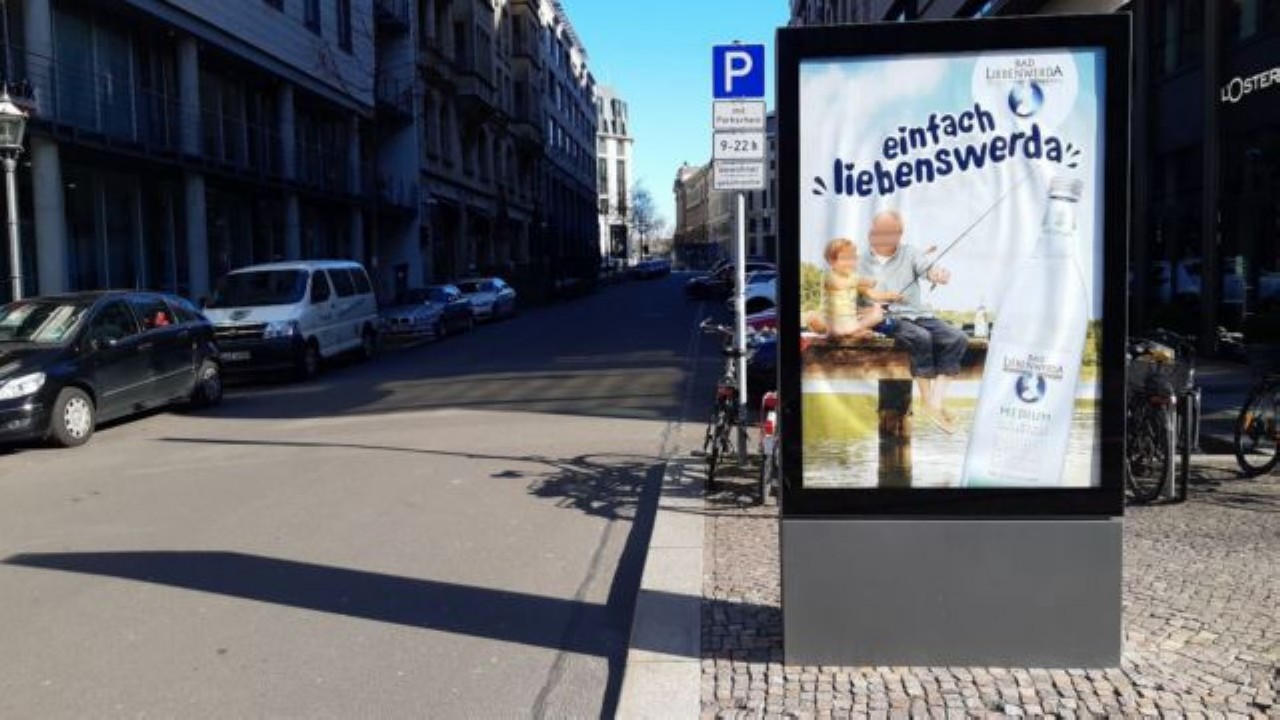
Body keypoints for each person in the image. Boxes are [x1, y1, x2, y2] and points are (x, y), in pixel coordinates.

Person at [859, 211, 968, 434]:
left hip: (917, 314)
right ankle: (927, 401)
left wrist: (937, 275)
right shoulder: (860, 261)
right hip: (885, 318)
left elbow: (927, 268)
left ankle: (935, 403)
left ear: (899, 234)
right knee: (920, 337)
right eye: (879, 230)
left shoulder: (911, 253)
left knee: (957, 338)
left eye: (891, 231)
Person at [817, 237, 900, 339]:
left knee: (877, 313)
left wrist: (889, 296)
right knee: (819, 319)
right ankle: (850, 330)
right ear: (832, 261)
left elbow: (871, 293)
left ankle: (853, 331)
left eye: (852, 258)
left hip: (849, 320)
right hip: (833, 321)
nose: (850, 262)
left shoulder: (853, 277)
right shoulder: (829, 277)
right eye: (845, 259)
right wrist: (863, 281)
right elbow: (841, 284)